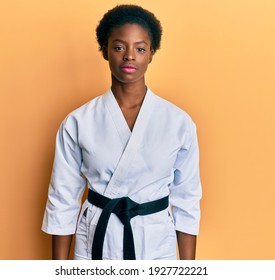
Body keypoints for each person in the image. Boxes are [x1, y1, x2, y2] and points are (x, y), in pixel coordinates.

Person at [42, 4, 202, 260]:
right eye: (119, 47)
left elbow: (187, 200)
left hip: (156, 243)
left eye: (140, 48)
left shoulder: (178, 122)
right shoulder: (78, 121)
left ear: (151, 54)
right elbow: (62, 199)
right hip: (96, 239)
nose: (130, 56)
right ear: (105, 51)